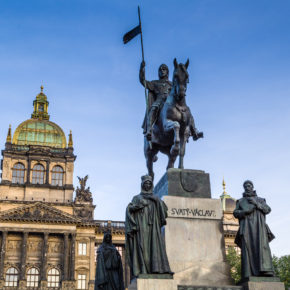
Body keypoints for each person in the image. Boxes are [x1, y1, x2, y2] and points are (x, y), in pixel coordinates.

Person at [125, 175, 172, 278]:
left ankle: (156, 268)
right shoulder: (137, 198)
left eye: (149, 183)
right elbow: (129, 209)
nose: (147, 185)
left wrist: (156, 200)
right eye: (146, 183)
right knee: (142, 247)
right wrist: (136, 207)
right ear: (142, 184)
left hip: (153, 228)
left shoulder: (155, 198)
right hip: (141, 226)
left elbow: (163, 212)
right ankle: (143, 269)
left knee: (154, 247)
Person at [233, 180, 275, 279]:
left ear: (252, 187)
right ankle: (248, 273)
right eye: (245, 186)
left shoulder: (260, 199)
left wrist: (256, 204)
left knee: (261, 247)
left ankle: (265, 271)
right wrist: (244, 212)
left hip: (259, 227)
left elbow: (267, 210)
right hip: (246, 227)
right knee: (247, 248)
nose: (247, 187)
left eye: (249, 185)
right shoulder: (240, 201)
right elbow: (235, 213)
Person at [139, 61, 172, 140]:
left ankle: (191, 130)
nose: (162, 71)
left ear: (167, 71)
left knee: (183, 110)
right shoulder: (154, 83)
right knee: (153, 109)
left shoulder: (171, 84)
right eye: (160, 70)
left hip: (170, 102)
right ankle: (149, 130)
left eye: (164, 69)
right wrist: (141, 69)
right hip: (159, 101)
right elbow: (143, 81)